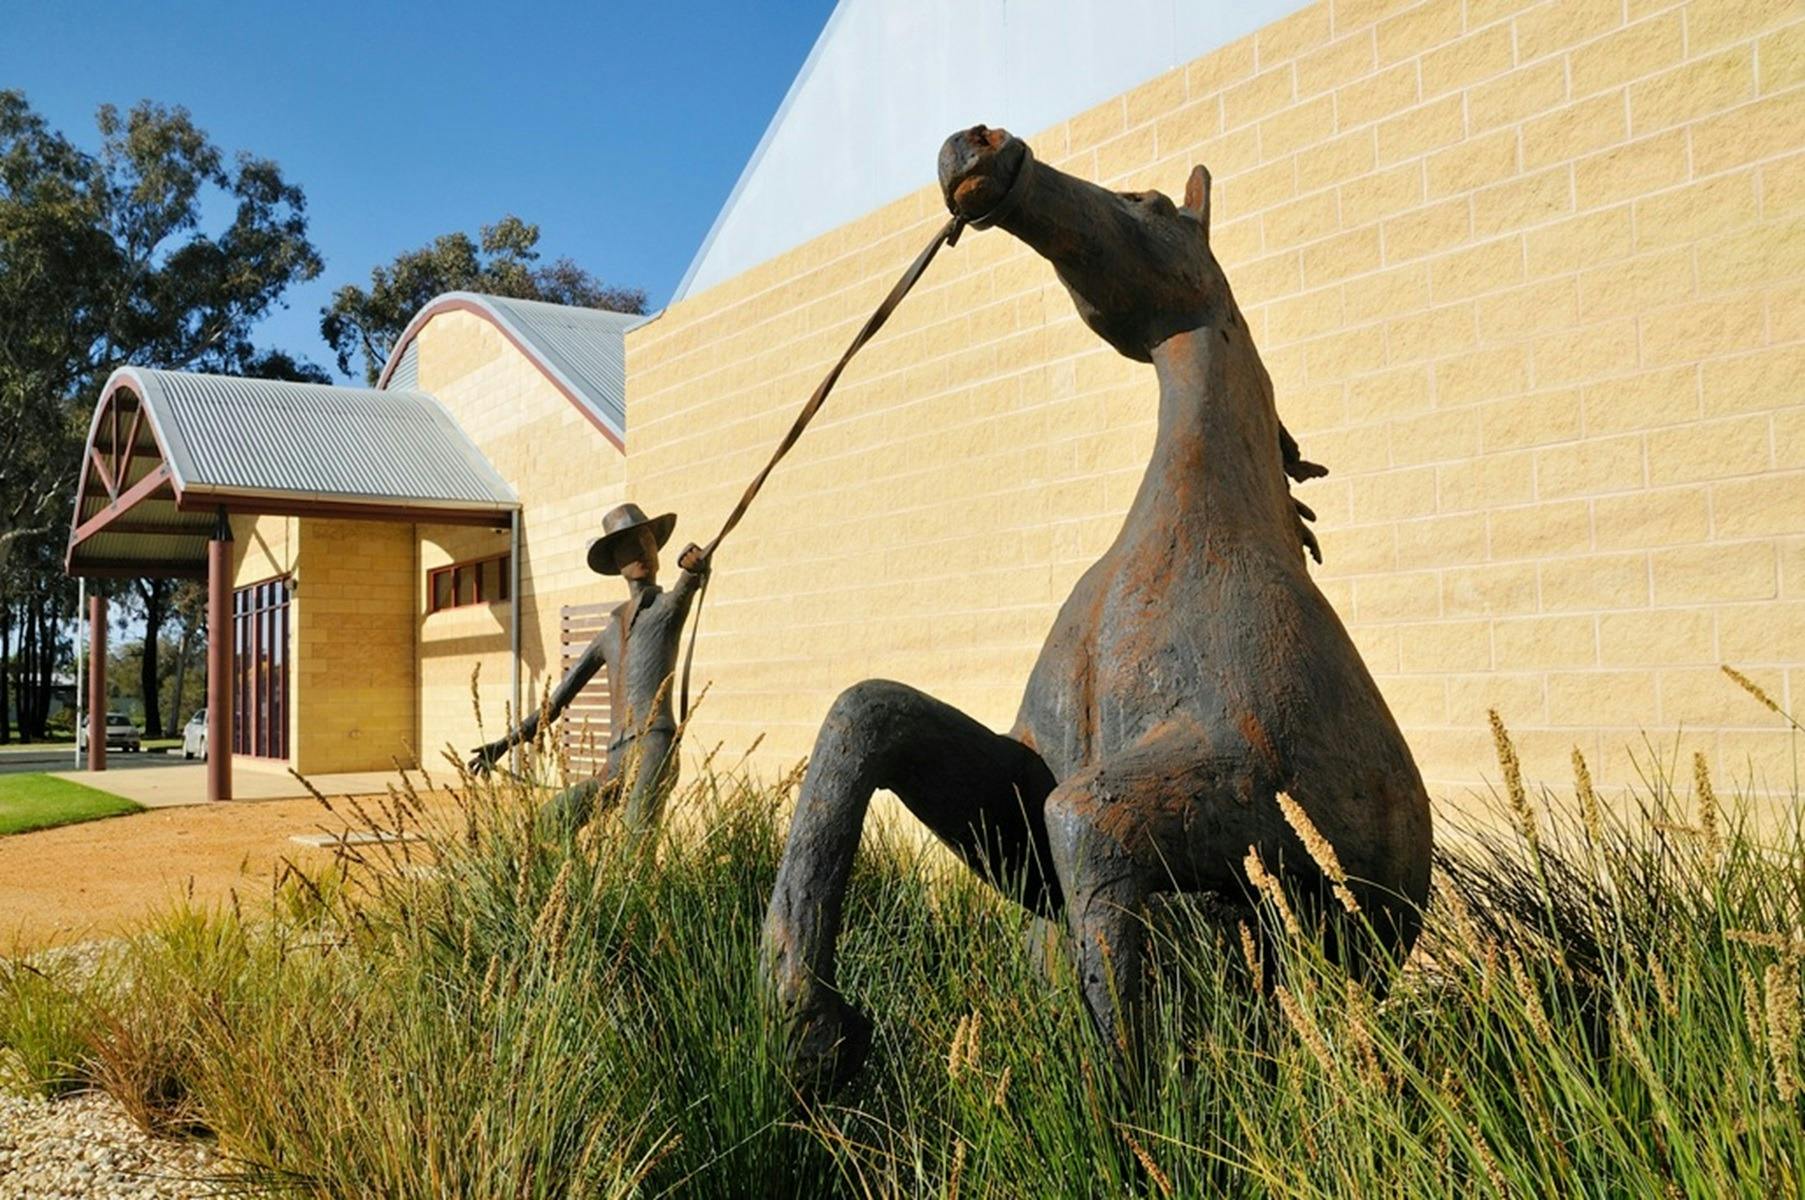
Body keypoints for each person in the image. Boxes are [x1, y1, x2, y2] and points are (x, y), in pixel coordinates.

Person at [470, 502, 709, 839]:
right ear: (616, 561)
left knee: (634, 841)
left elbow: (692, 576)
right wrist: (504, 743)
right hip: (615, 758)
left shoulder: (667, 608)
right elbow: (557, 701)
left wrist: (694, 565)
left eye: (647, 541)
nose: (641, 550)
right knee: (552, 820)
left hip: (655, 745)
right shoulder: (610, 632)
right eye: (629, 545)